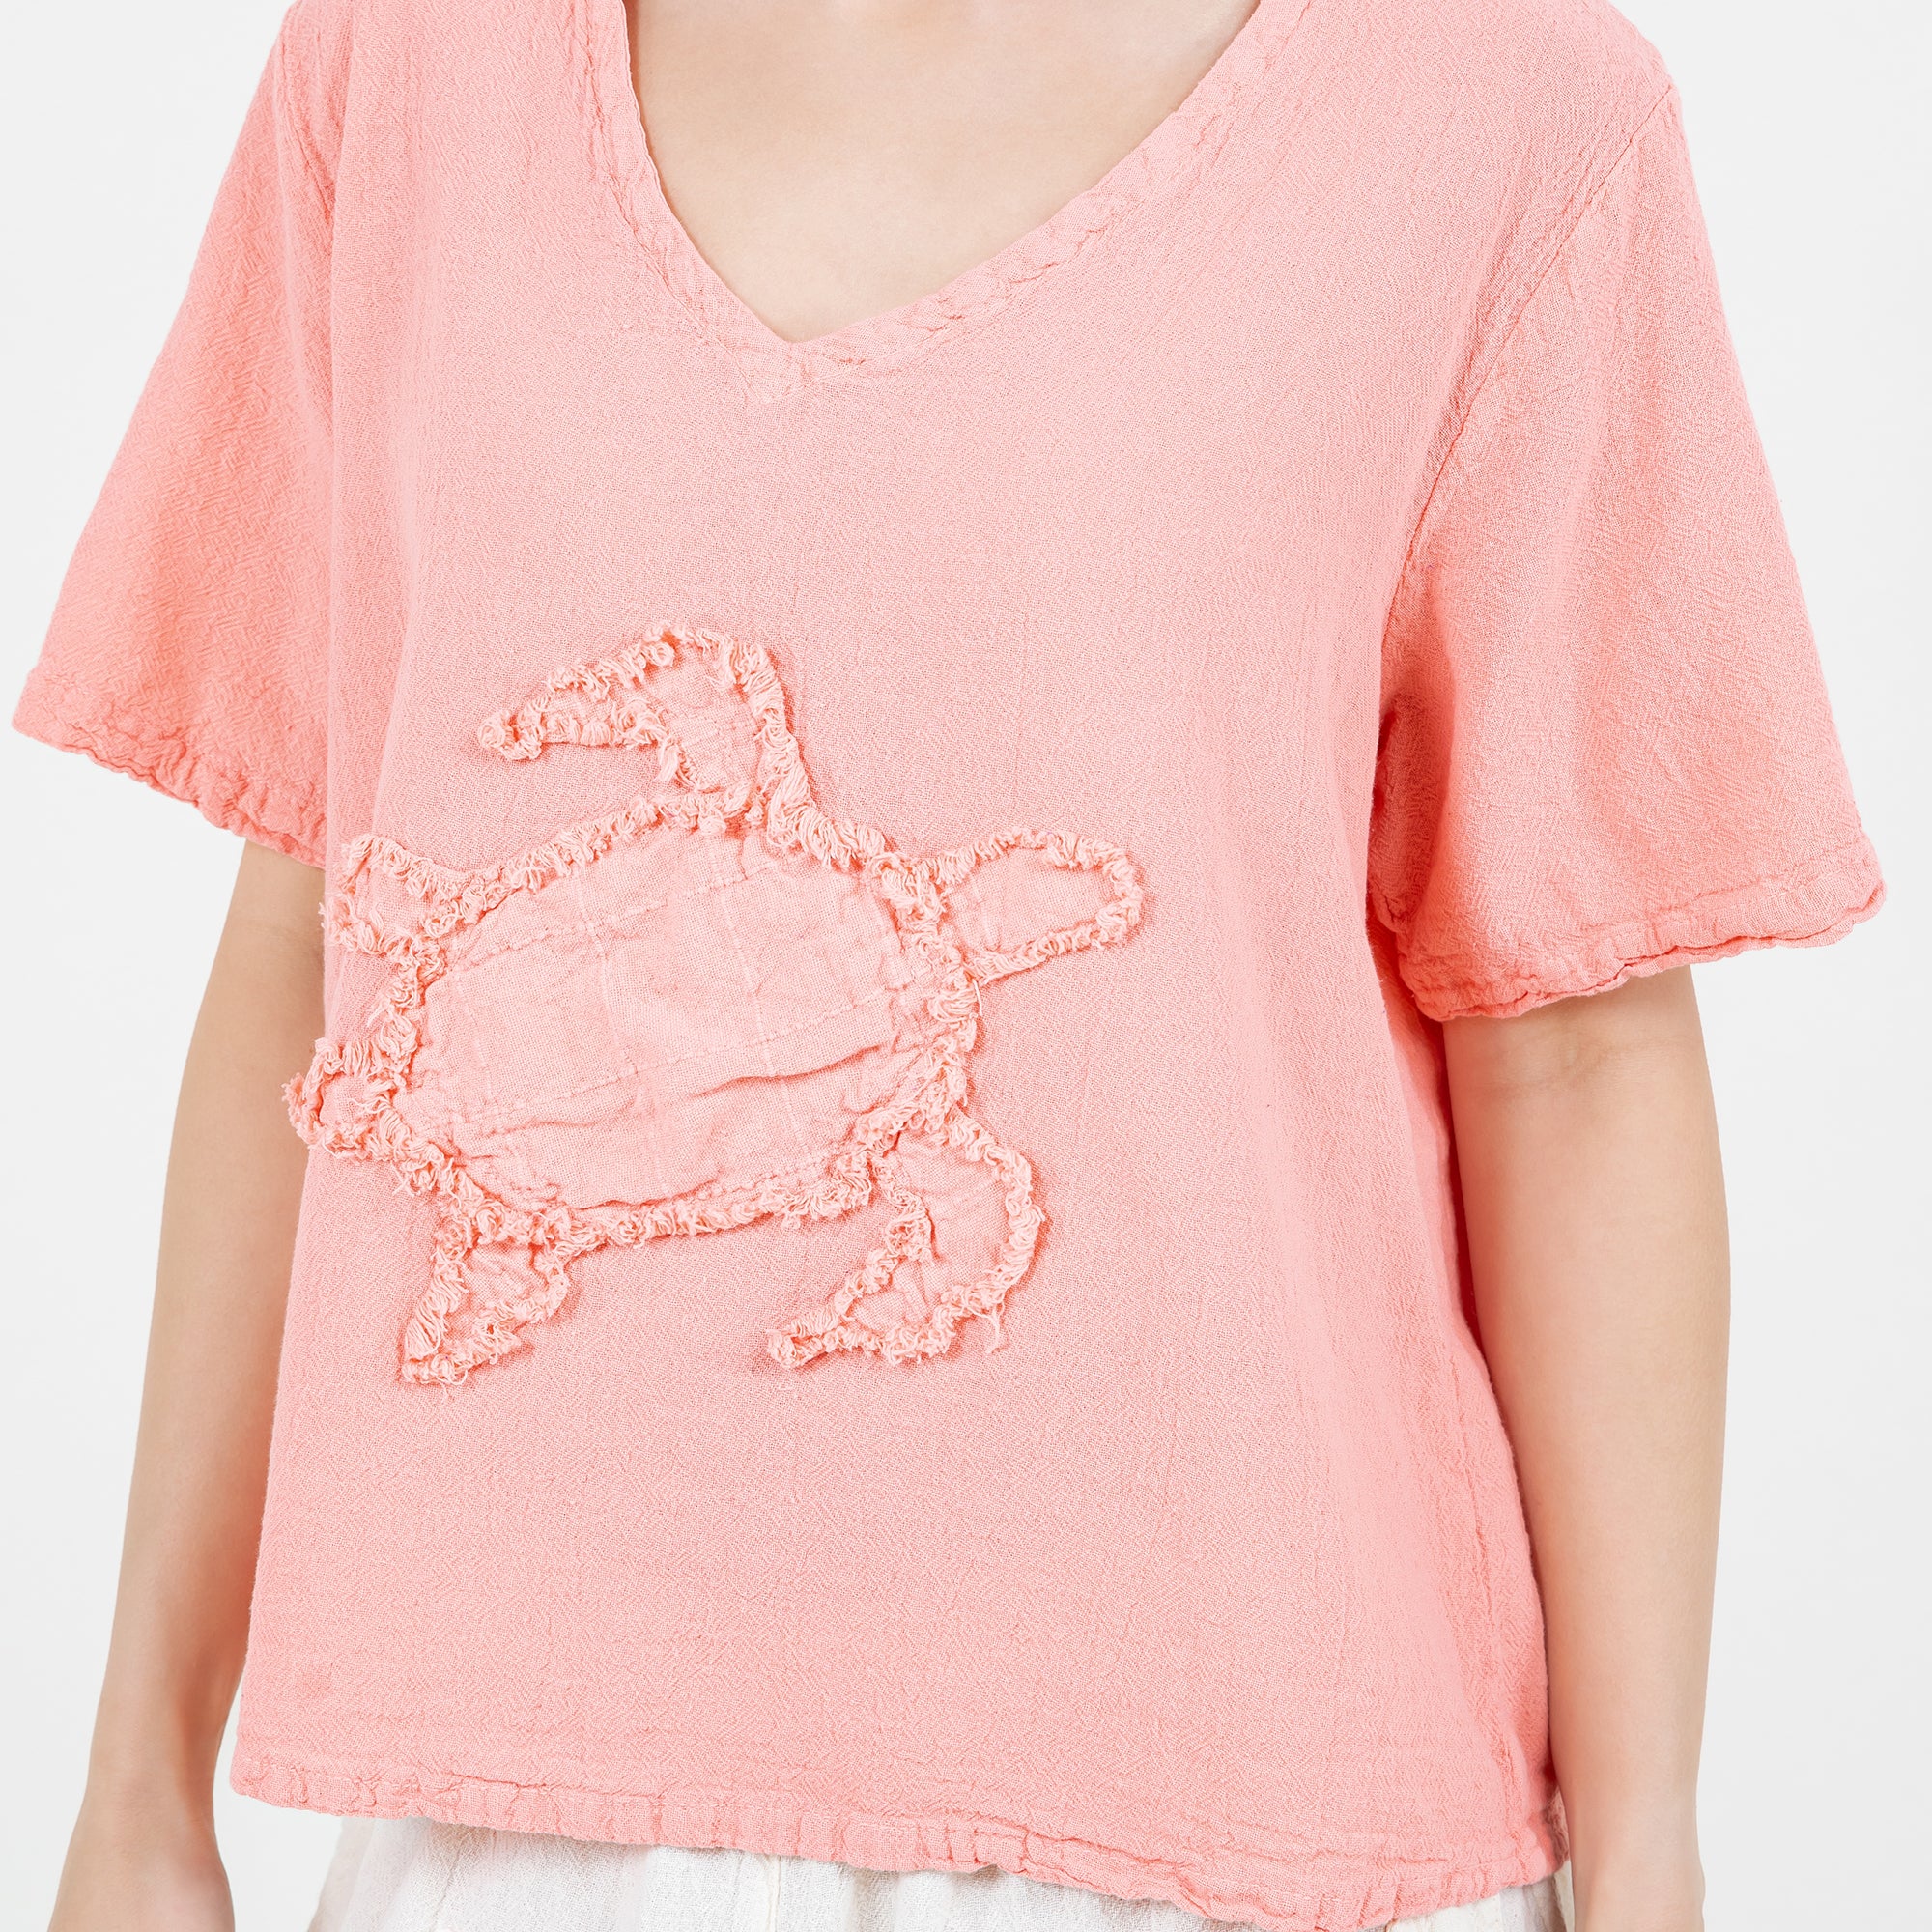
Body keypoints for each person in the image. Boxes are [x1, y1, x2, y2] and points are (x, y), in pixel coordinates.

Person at [16, 0, 1883, 1929]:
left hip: (1229, 1810)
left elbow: (1574, 1051)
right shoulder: (408, 63)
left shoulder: (1506, 121)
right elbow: (311, 926)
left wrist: (1648, 1857)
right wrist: (135, 1779)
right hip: (511, 1807)